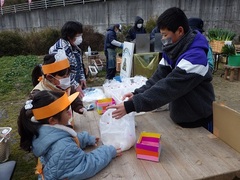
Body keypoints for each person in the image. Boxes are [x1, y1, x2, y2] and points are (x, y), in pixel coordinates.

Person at [107, 7, 215, 133]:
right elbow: (158, 78)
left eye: (165, 35)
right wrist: (137, 93)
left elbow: (168, 88)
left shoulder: (195, 58)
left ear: (180, 31)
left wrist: (132, 105)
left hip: (198, 121)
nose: (163, 39)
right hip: (179, 117)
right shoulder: (173, 49)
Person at [18, 90, 121, 179]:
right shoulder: (63, 147)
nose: (70, 113)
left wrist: (83, 138)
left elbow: (60, 139)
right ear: (52, 120)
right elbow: (86, 166)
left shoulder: (42, 131)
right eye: (66, 111)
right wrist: (108, 151)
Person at [31, 50, 85, 127]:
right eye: (63, 77)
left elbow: (72, 96)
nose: (67, 79)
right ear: (50, 77)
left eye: (68, 75)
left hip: (68, 126)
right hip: (54, 132)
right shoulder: (39, 93)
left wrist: (79, 107)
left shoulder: (64, 86)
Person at [49, 21, 86, 98]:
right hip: (64, 87)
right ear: (69, 36)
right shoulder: (58, 50)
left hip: (75, 82)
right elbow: (61, 74)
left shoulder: (75, 47)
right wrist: (75, 85)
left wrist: (82, 77)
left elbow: (79, 64)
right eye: (78, 35)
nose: (80, 38)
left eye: (81, 35)